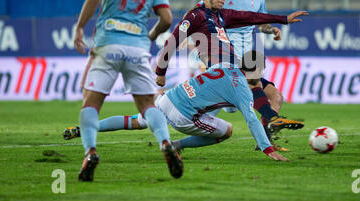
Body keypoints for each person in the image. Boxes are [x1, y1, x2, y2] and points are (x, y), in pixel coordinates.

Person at [73, 0, 183, 181]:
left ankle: (90, 152)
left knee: (91, 103)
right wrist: (150, 35)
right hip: (137, 48)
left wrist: (80, 27)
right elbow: (166, 18)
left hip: (107, 43)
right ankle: (165, 143)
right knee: (147, 106)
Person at [155, 0, 307, 148]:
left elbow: (251, 16)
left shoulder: (222, 15)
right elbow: (173, 41)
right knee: (249, 82)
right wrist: (161, 72)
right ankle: (271, 121)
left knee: (272, 93)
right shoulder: (195, 15)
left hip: (233, 67)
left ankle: (267, 132)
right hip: (219, 72)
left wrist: (284, 19)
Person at [63, 51, 290, 162]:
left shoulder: (226, 65)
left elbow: (224, 100)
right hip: (184, 115)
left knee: (135, 121)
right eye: (262, 69)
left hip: (169, 97)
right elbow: (250, 119)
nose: (264, 73)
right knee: (227, 131)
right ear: (256, 70)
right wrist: (267, 148)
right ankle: (176, 146)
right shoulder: (241, 87)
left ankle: (85, 129)